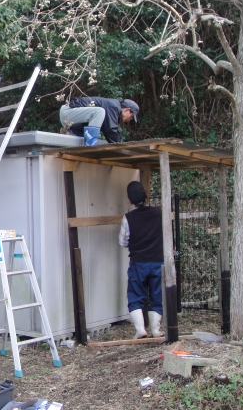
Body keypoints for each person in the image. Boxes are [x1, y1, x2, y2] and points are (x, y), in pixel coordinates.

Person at [118, 181, 164, 339]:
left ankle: (140, 330)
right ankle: (156, 330)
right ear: (146, 196)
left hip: (138, 262)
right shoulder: (159, 213)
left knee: (136, 295)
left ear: (129, 200)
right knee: (157, 294)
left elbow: (123, 241)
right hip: (158, 260)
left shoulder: (128, 218)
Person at [60, 97, 139, 144]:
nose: (129, 120)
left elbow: (109, 130)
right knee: (100, 111)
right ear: (127, 110)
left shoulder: (113, 109)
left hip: (72, 122)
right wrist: (122, 147)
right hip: (68, 112)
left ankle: (71, 133)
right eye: (131, 117)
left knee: (98, 123)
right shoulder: (114, 107)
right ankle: (90, 145)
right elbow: (110, 130)